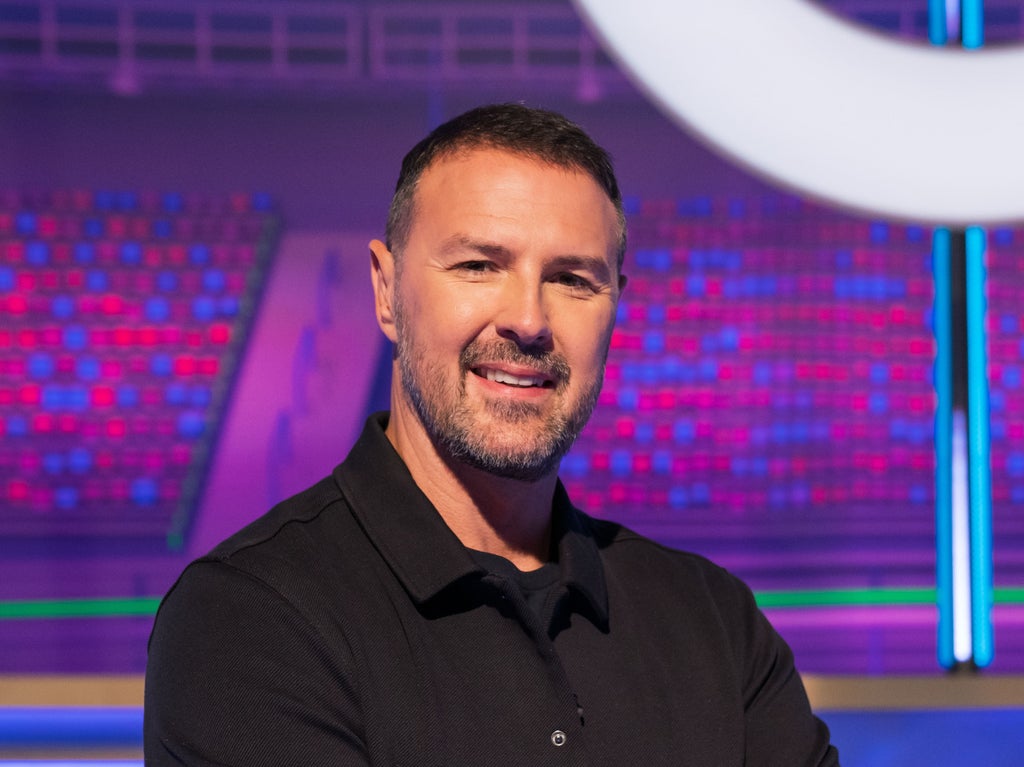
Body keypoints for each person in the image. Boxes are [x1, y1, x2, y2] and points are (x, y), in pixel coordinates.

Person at [145, 103, 839, 766]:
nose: (529, 320)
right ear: (387, 292)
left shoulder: (716, 624)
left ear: (616, 308)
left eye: (572, 279)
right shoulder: (248, 617)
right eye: (479, 265)